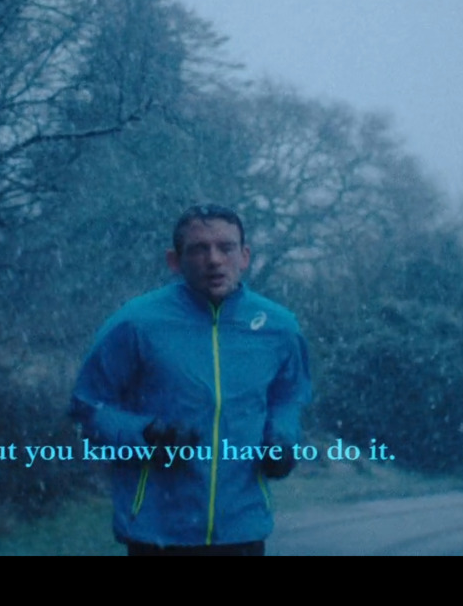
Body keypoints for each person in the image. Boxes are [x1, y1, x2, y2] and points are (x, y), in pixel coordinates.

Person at [70, 204, 312, 556]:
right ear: (174, 260)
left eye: (226, 247)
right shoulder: (135, 323)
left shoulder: (279, 326)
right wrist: (147, 435)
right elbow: (87, 408)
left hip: (242, 528)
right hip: (157, 530)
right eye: (199, 249)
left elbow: (289, 396)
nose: (214, 260)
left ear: (244, 256)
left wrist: (282, 439)